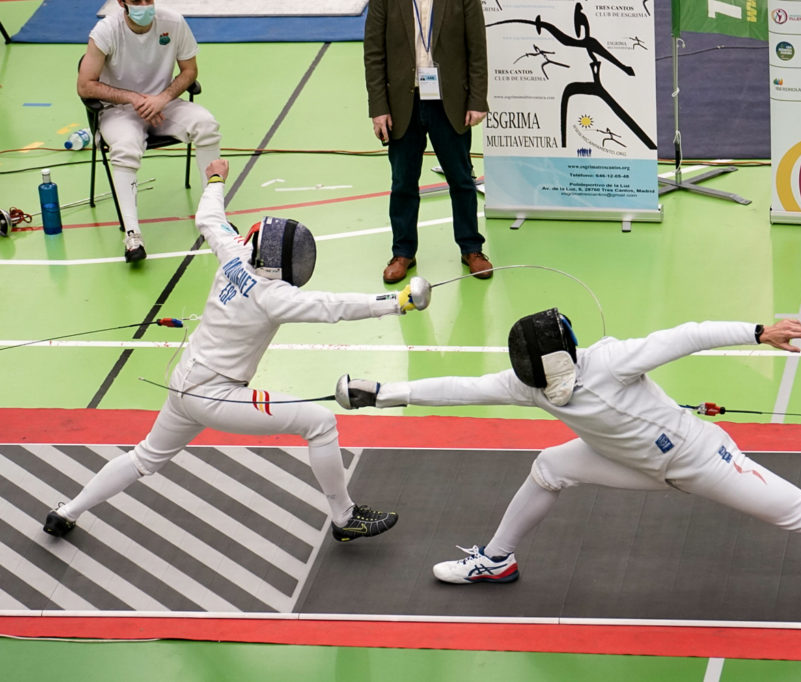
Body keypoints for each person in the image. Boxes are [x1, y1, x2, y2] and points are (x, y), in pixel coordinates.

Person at [335, 309, 801, 619]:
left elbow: (685, 335)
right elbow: (460, 387)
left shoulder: (612, 360)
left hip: (700, 460)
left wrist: (757, 332)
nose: (544, 386)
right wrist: (382, 393)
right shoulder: (525, 384)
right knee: (550, 466)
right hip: (625, 461)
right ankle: (497, 560)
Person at [44, 159, 430, 543]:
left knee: (145, 457)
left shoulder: (235, 251)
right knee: (320, 423)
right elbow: (333, 306)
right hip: (216, 394)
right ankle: (345, 517)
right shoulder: (272, 296)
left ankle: (66, 512)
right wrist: (397, 302)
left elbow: (209, 217)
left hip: (183, 381)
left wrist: (215, 178)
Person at [78, 0, 221, 263]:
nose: (144, 6)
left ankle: (214, 218)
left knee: (207, 125)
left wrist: (162, 98)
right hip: (119, 111)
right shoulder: (105, 31)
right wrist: (135, 98)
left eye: (148, 0)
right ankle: (132, 235)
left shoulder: (174, 22)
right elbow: (85, 86)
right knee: (125, 148)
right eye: (136, 1)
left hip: (164, 105)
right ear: (121, 2)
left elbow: (190, 71)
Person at [363, 0, 492, 284]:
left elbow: (477, 49)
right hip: (402, 102)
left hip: (449, 101)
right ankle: (403, 252)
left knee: (461, 179)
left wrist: (477, 99)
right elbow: (373, 54)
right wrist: (378, 108)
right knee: (403, 182)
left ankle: (471, 248)